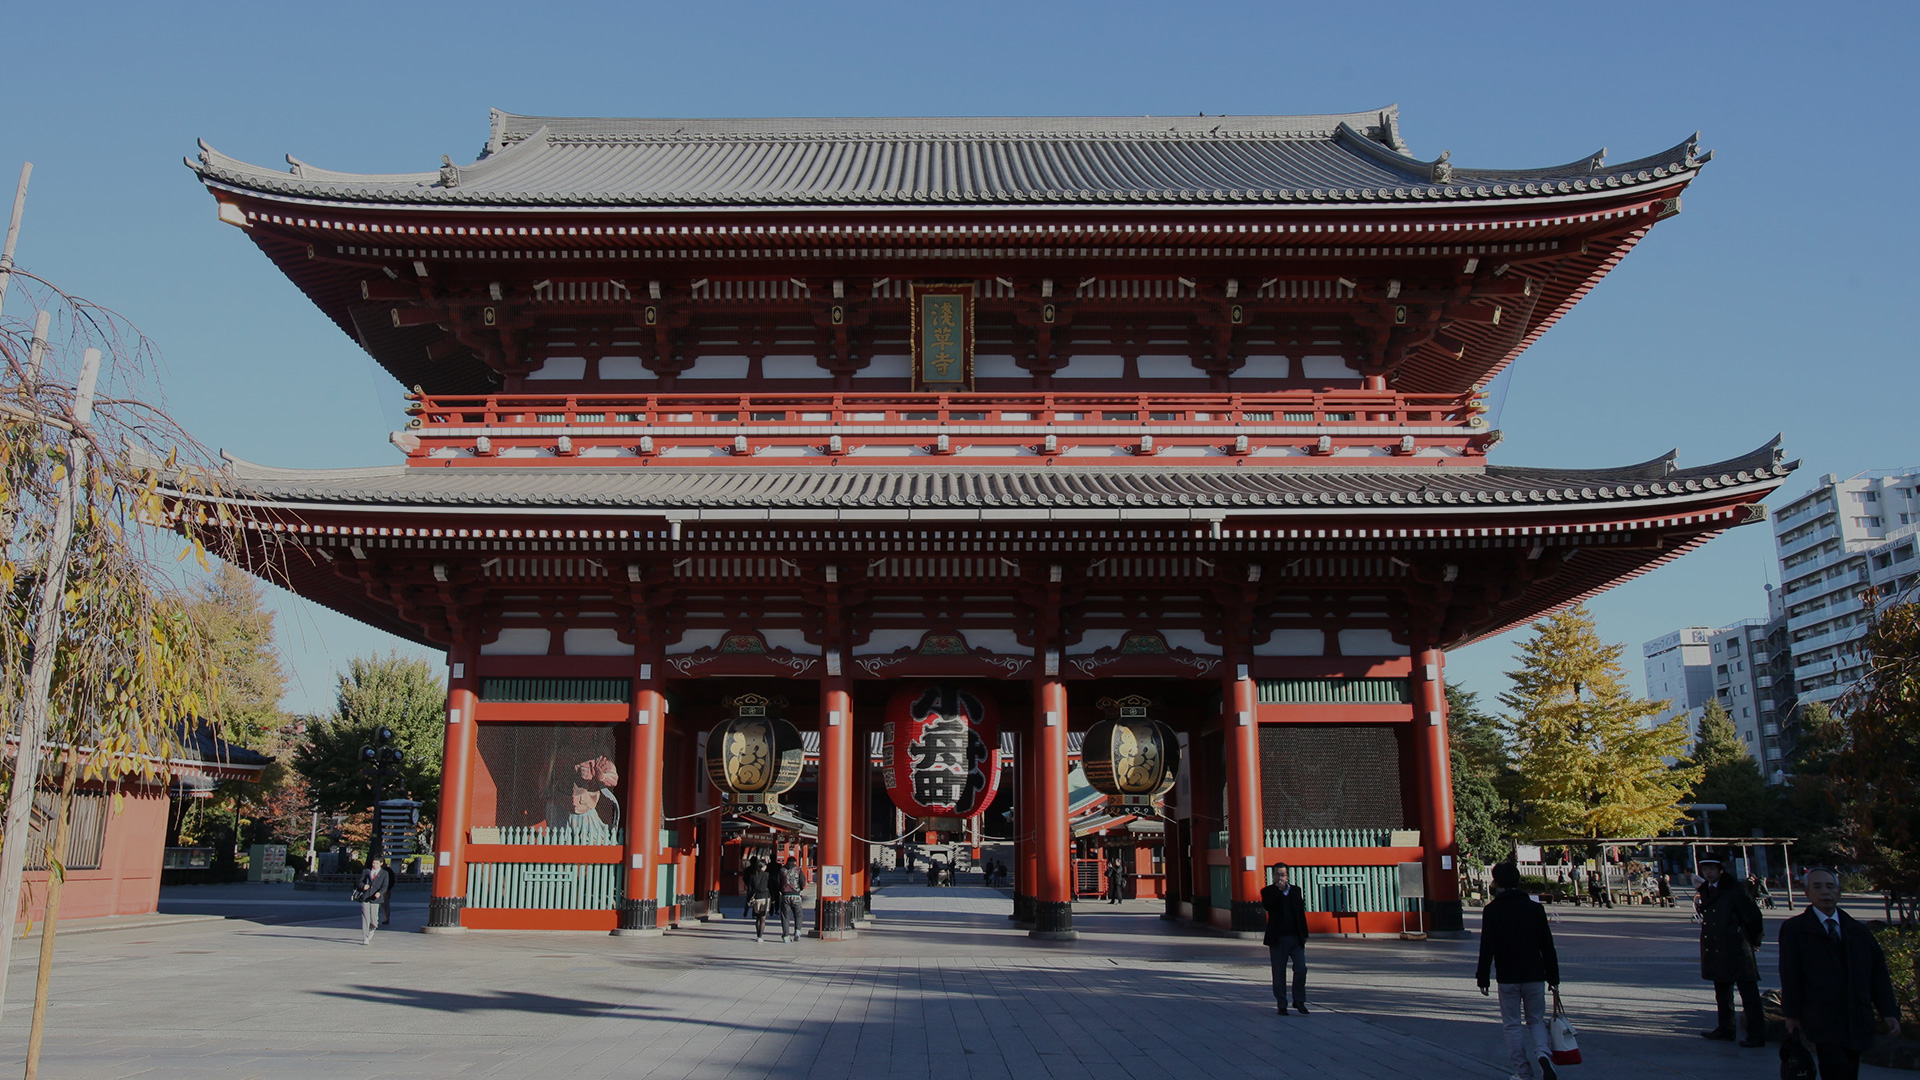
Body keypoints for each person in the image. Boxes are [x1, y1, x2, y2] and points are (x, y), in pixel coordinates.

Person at [1779, 868, 1901, 1080]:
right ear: (1807, 892)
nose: (1825, 892)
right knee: (1835, 1068)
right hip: (1821, 1015)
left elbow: (1878, 974)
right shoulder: (1795, 929)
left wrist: (1888, 1011)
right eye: (1817, 887)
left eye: (1830, 886)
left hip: (1856, 1015)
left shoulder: (1857, 931)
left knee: (1849, 1068)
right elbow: (1790, 974)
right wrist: (1792, 1014)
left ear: (1839, 892)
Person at [1477, 862, 1561, 1080]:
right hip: (1534, 972)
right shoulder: (1535, 909)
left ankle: (1523, 1071)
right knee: (1535, 1019)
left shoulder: (1492, 910)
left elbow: (1487, 946)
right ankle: (1543, 1054)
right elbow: (1547, 945)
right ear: (1519, 881)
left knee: (1512, 1024)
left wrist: (1483, 976)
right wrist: (1553, 976)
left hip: (1508, 975)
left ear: (1495, 883)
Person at [1697, 853, 1766, 1047]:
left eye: (1712, 869)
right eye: (1705, 870)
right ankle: (1726, 1028)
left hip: (1737, 946)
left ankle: (1756, 1034)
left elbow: (1753, 916)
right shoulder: (1706, 890)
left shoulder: (1735, 889)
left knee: (1748, 993)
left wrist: (1755, 941)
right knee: (1722, 991)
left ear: (1721, 870)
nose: (1708, 873)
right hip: (1717, 947)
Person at [1260, 862, 1309, 1016]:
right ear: (1273, 876)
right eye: (1277, 874)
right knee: (1279, 972)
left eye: (1282, 874)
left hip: (1296, 937)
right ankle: (1282, 1003)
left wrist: (1305, 934)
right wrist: (1279, 892)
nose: (1280, 877)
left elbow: (1300, 913)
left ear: (1287, 876)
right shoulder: (1268, 891)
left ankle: (1299, 1000)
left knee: (1301, 968)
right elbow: (1268, 906)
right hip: (1278, 938)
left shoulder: (1296, 891)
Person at [354, 857, 392, 946]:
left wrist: (380, 893)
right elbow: (358, 882)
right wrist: (363, 886)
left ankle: (372, 929)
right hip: (365, 897)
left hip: (375, 898)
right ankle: (365, 937)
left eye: (377, 863)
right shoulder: (366, 871)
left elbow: (385, 885)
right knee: (365, 917)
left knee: (374, 920)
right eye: (373, 863)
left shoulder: (384, 873)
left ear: (381, 863)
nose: (374, 865)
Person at [778, 856, 808, 942]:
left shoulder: (782, 870)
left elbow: (778, 881)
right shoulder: (798, 869)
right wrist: (799, 889)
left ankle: (786, 936)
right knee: (798, 914)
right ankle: (797, 931)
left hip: (785, 896)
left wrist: (782, 890)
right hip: (796, 895)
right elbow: (802, 881)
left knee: (785, 917)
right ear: (795, 862)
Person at [743, 857, 773, 942]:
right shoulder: (767, 875)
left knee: (757, 918)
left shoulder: (753, 876)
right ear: (762, 867)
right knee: (763, 918)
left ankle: (757, 934)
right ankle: (760, 936)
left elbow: (750, 888)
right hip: (765, 897)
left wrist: (749, 899)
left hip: (756, 898)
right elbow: (770, 886)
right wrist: (773, 898)